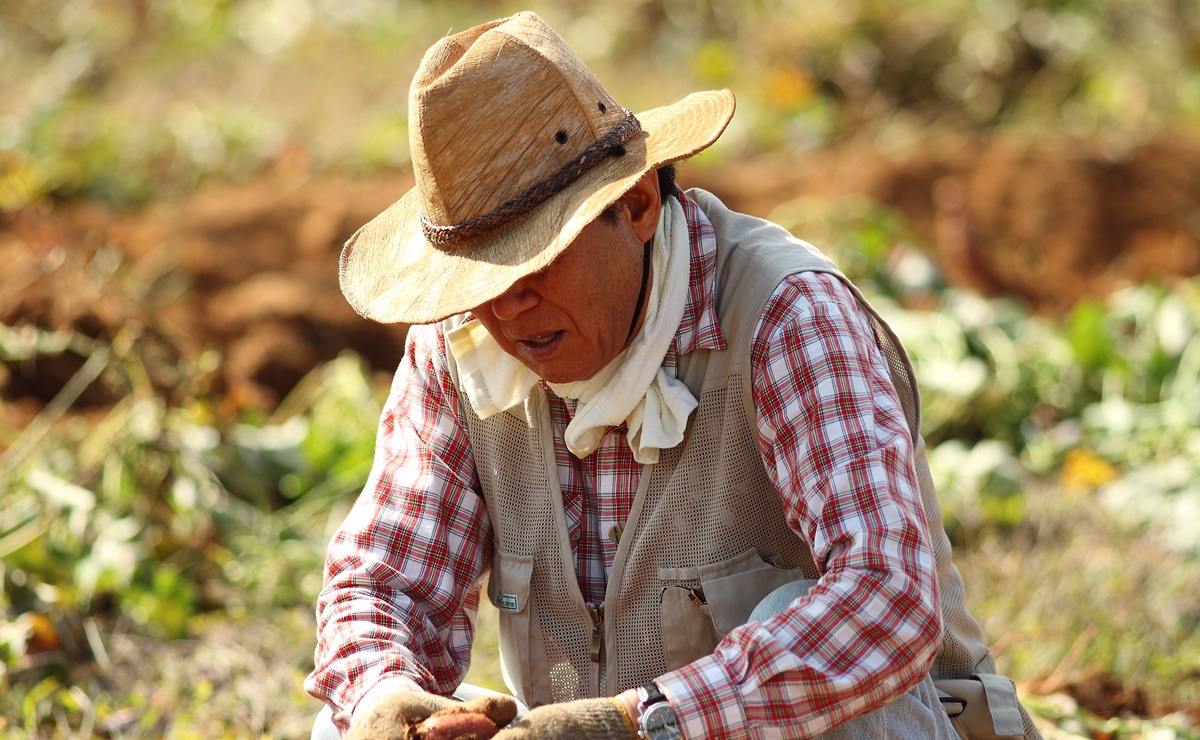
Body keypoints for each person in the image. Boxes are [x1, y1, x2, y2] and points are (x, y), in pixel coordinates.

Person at [305, 11, 1041, 740]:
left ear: (636, 205)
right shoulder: (459, 349)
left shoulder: (784, 317)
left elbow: (887, 600)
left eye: (533, 259)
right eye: (479, 277)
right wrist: (383, 695)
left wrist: (636, 723)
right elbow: (385, 582)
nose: (507, 304)